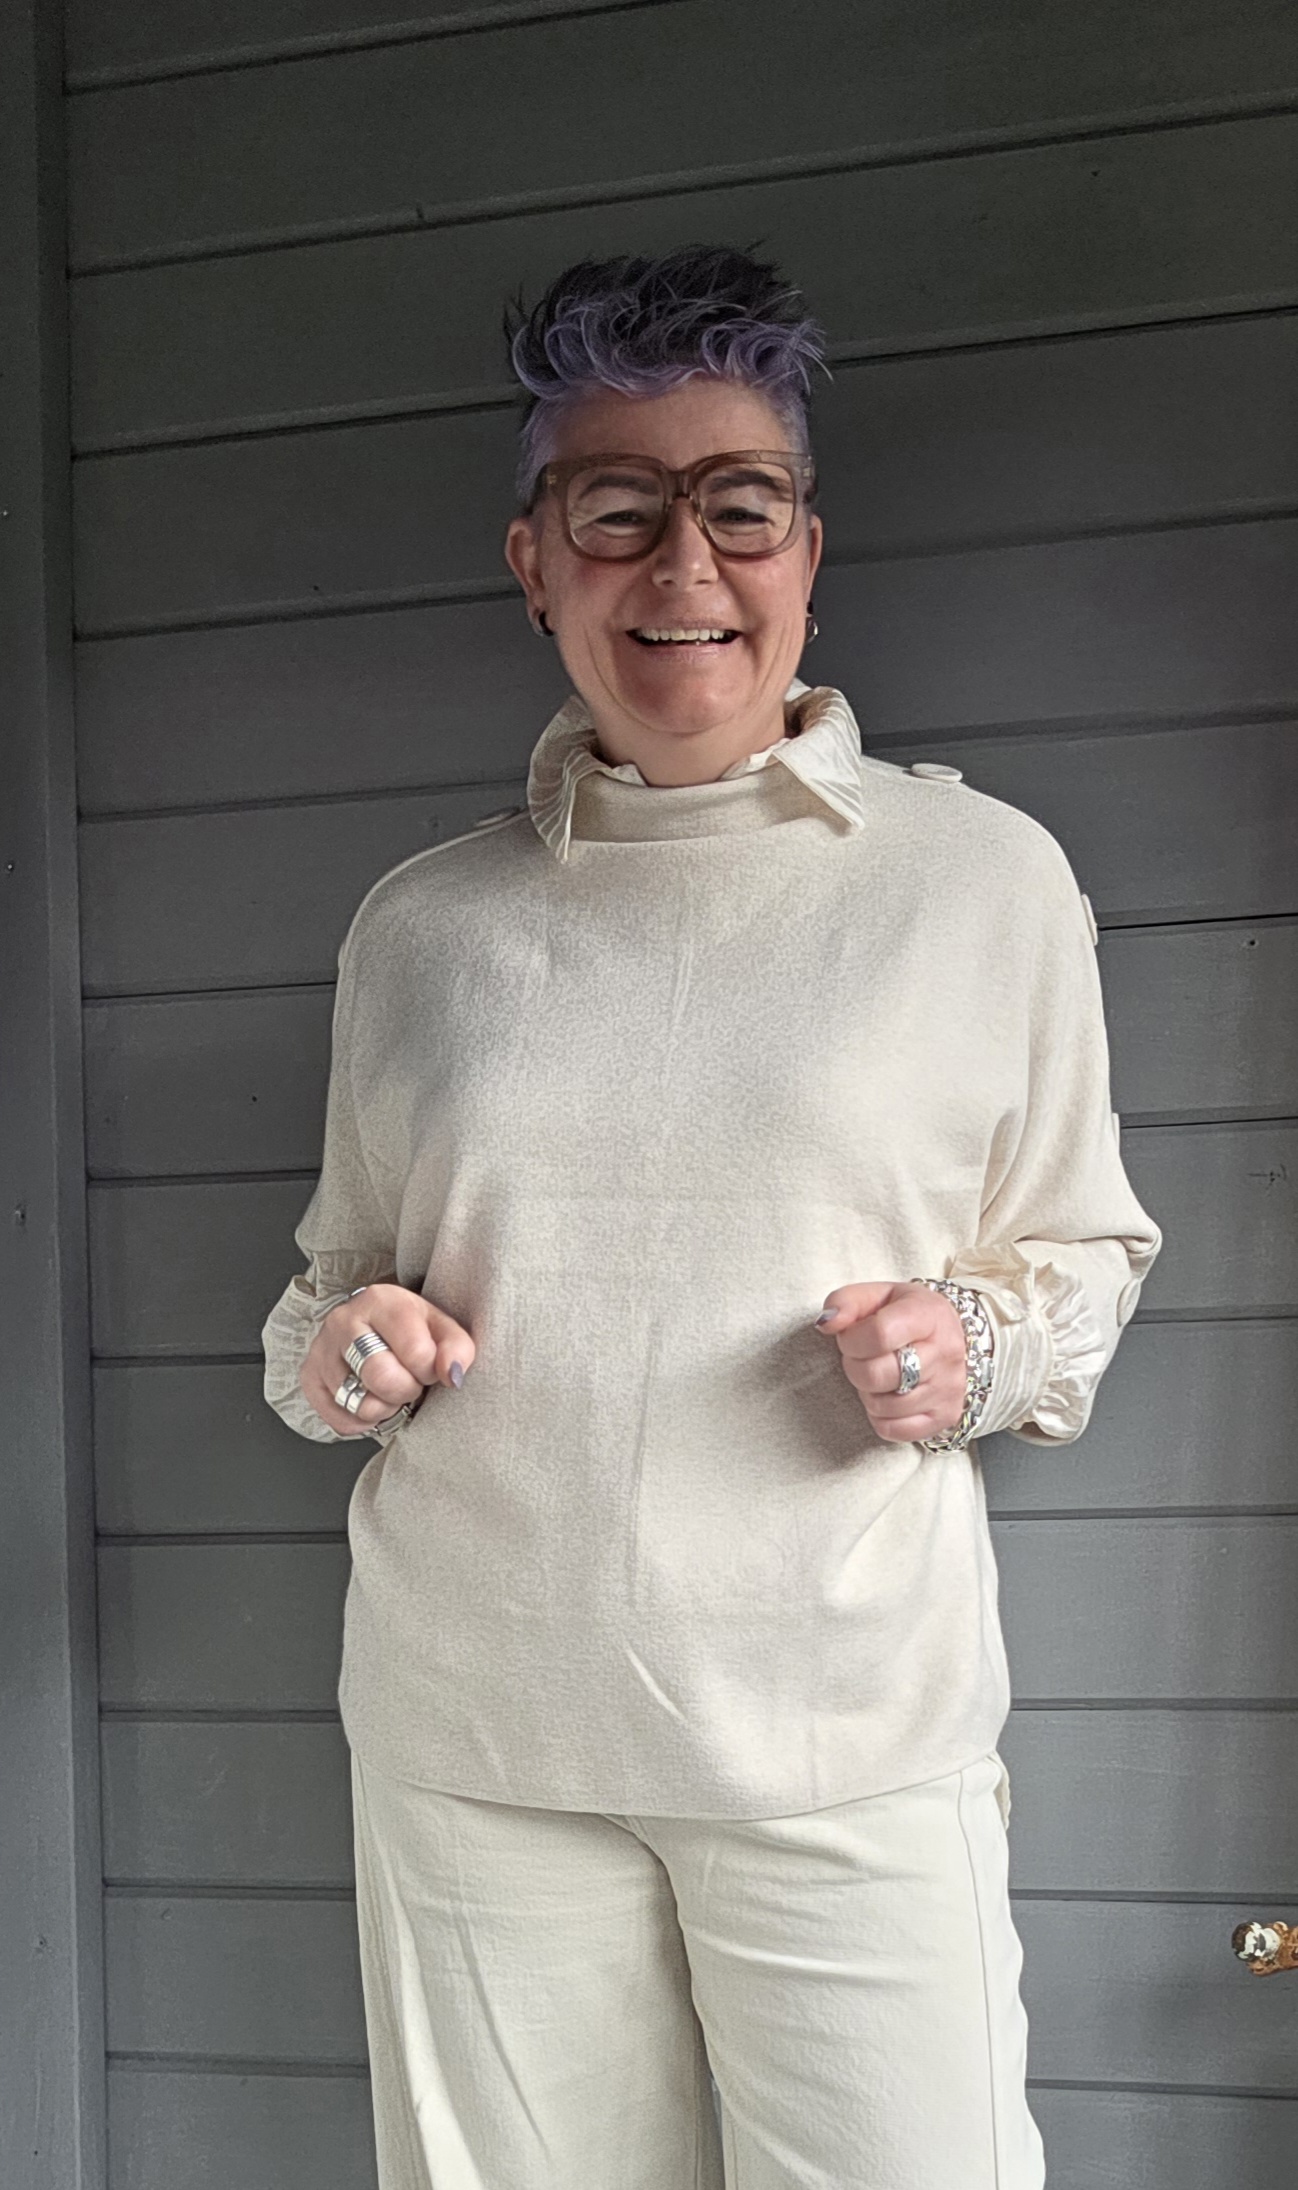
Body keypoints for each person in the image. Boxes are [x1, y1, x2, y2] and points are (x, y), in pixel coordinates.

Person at [261, 243, 1163, 2190]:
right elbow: (332, 1287)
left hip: (844, 1733)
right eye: (617, 508)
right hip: (475, 1740)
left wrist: (967, 1345)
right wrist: (344, 1350)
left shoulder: (980, 880)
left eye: (737, 505)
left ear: (805, 552)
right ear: (534, 562)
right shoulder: (421, 927)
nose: (683, 565)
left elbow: (1082, 1252)